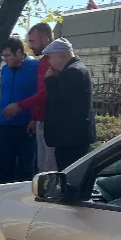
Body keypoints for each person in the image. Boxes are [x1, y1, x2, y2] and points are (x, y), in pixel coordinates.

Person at [42, 38, 96, 170]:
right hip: (72, 136)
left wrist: (50, 80)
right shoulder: (75, 69)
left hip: (71, 138)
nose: (49, 61)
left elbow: (59, 100)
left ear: (60, 55)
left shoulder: (72, 71)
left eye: (50, 57)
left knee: (69, 174)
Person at [9, 22, 56, 172]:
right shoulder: (45, 61)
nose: (29, 46)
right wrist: (35, 118)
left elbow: (45, 93)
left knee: (48, 170)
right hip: (43, 121)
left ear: (46, 39)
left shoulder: (50, 61)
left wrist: (19, 105)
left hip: (51, 124)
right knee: (43, 167)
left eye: (32, 41)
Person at [0, 36, 39, 182]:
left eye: (8, 55)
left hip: (26, 127)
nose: (5, 59)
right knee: (4, 167)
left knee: (26, 170)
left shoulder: (36, 67)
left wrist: (34, 118)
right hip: (5, 126)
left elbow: (41, 95)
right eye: (4, 56)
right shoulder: (5, 70)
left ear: (19, 53)